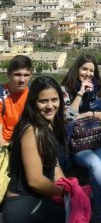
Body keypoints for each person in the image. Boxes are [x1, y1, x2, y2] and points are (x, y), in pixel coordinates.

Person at [61, 54, 101, 223]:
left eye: (91, 70)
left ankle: (97, 216)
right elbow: (67, 117)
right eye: (85, 69)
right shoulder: (65, 90)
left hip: (96, 139)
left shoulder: (97, 88)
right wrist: (81, 93)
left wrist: (89, 113)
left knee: (96, 173)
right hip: (76, 142)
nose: (88, 73)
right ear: (77, 69)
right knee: (96, 165)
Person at [2, 76, 67, 223]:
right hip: (24, 208)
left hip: (39, 201)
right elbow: (35, 180)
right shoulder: (32, 130)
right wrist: (64, 193)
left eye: (54, 100)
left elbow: (54, 165)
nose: (50, 106)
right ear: (33, 102)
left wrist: (69, 186)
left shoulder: (48, 124)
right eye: (43, 101)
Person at [0, 55, 33, 147]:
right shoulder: (1, 95)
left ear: (31, 75)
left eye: (26, 75)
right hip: (7, 143)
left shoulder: (33, 93)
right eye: (17, 75)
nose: (22, 80)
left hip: (30, 140)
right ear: (8, 74)